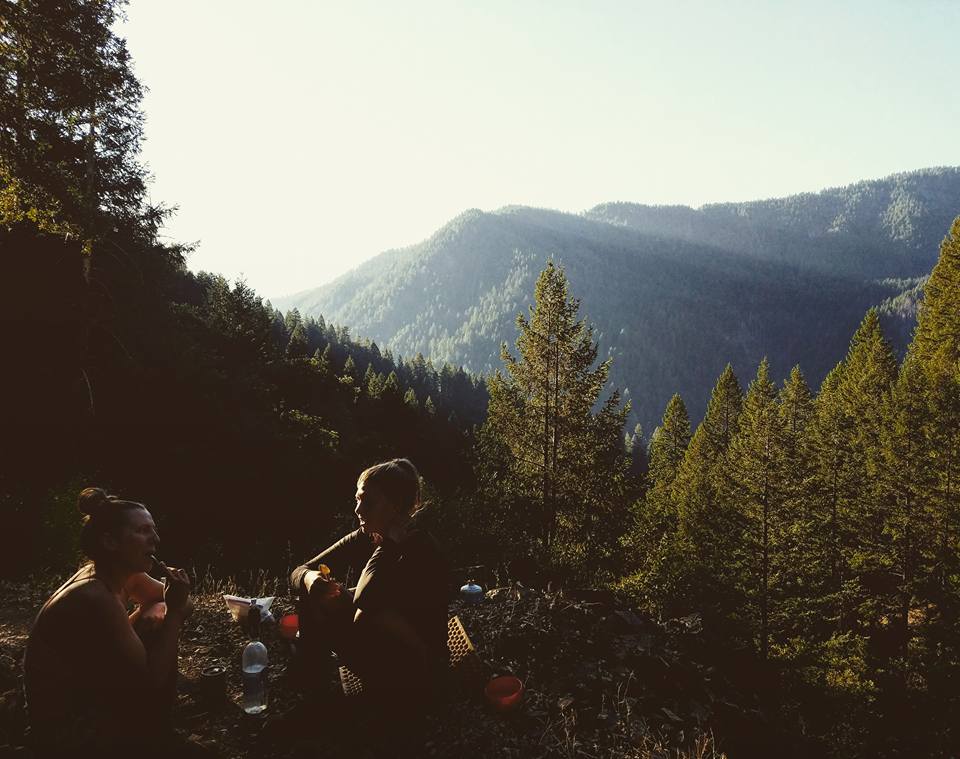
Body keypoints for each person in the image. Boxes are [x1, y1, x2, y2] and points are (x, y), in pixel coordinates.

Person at [23, 487, 194, 758]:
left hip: (89, 692)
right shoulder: (94, 596)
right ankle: (153, 741)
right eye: (143, 531)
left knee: (155, 626)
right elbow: (152, 682)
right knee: (160, 633)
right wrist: (171, 613)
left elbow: (183, 601)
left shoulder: (119, 571)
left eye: (154, 530)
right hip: (66, 731)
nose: (156, 540)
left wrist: (161, 608)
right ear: (110, 542)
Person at [290, 459, 450, 746]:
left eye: (368, 503)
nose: (358, 510)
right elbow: (298, 570)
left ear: (396, 506)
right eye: (357, 500)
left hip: (415, 667)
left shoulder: (420, 548)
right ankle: (314, 692)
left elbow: (367, 599)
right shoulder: (369, 534)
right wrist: (310, 579)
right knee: (313, 594)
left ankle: (331, 707)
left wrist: (389, 546)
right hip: (385, 645)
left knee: (355, 607)